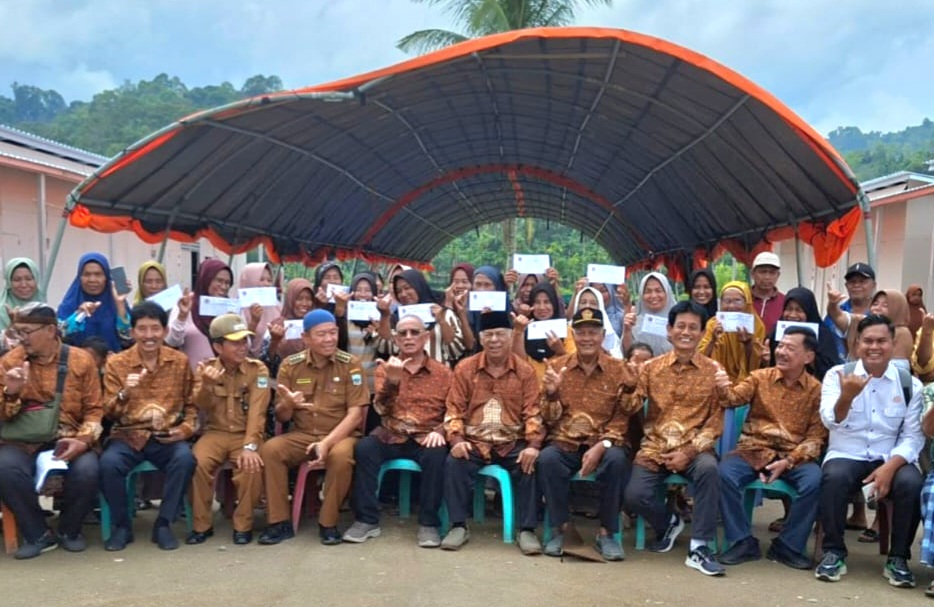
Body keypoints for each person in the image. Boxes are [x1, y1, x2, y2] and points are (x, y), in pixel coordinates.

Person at [814, 315, 924, 588]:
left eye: (881, 341)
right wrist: (847, 396)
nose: (874, 347)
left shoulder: (910, 384)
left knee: (911, 482)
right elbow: (830, 422)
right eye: (868, 341)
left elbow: (913, 437)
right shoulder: (837, 375)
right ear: (857, 344)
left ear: (893, 344)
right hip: (847, 453)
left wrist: (889, 468)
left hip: (890, 455)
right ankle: (833, 552)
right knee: (834, 477)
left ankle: (898, 558)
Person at [623, 301, 726, 576]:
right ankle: (668, 521)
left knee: (709, 469)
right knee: (634, 495)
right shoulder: (650, 368)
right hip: (655, 446)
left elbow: (715, 423)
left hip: (695, 448)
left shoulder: (714, 371)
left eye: (693, 327)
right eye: (680, 326)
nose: (686, 332)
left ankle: (699, 546)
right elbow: (630, 408)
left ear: (702, 333)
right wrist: (629, 384)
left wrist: (688, 453)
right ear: (669, 330)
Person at [715, 327, 826, 570]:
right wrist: (722, 385)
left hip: (792, 455)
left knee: (815, 481)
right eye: (780, 346)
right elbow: (731, 399)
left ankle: (788, 545)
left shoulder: (817, 391)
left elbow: (816, 437)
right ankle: (742, 541)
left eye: (790, 348)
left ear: (808, 357)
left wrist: (790, 461)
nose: (782, 352)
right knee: (723, 473)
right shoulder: (759, 377)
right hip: (753, 449)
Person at [258, 309, 369, 546]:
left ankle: (328, 523)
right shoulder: (291, 365)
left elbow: (355, 415)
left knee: (341, 457)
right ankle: (279, 522)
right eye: (321, 334)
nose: (329, 339)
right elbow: (281, 416)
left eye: (333, 333)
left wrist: (326, 443)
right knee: (270, 450)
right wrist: (288, 404)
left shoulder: (350, 365)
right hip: (303, 435)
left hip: (340, 436)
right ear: (306, 338)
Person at [0, 303, 102, 559]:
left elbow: (95, 410)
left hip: (69, 436)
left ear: (50, 330)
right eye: (18, 332)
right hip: (22, 441)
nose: (21, 338)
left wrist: (83, 441)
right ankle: (38, 533)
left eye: (27, 332)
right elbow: (3, 417)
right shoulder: (10, 361)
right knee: (5, 468)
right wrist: (11, 392)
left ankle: (70, 530)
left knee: (88, 469)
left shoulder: (81, 360)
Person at [342, 314, 452, 547]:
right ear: (395, 339)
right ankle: (366, 520)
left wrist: (440, 431)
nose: (409, 338)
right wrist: (392, 382)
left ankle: (429, 523)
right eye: (403, 333)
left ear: (426, 336)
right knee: (364, 448)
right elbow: (380, 409)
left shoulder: (443, 373)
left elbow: (454, 411)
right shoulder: (384, 368)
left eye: (414, 332)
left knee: (437, 454)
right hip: (391, 434)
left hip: (426, 436)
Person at [440, 311, 544, 554]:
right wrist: (456, 439)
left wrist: (533, 445)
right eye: (489, 335)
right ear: (480, 338)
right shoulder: (465, 368)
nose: (494, 340)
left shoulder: (525, 371)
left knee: (530, 464)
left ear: (510, 337)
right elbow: (454, 409)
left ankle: (526, 529)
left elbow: (533, 412)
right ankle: (458, 525)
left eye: (500, 334)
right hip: (474, 440)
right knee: (454, 462)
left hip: (512, 441)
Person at [537, 308, 636, 561]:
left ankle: (607, 533)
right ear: (573, 335)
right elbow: (548, 418)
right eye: (581, 333)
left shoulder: (619, 369)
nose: (587, 338)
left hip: (605, 443)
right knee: (547, 459)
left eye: (593, 332)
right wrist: (551, 393)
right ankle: (562, 529)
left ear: (602, 336)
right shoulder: (557, 367)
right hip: (566, 441)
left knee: (616, 461)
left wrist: (602, 445)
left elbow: (625, 415)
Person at [99, 301, 197, 551]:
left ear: (165, 331)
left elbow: (192, 403)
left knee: (185, 460)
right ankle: (122, 526)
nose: (149, 335)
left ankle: (163, 524)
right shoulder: (117, 363)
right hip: (127, 435)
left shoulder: (179, 361)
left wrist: (184, 430)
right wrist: (125, 393)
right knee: (108, 464)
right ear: (132, 332)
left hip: (166, 436)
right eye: (142, 329)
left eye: (155, 328)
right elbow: (108, 411)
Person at [187, 314, 270, 545]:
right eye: (235, 342)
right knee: (196, 463)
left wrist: (250, 446)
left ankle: (243, 525)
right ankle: (201, 525)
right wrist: (207, 385)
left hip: (245, 432)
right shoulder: (206, 370)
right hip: (215, 432)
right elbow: (200, 405)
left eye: (244, 341)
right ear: (217, 347)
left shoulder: (258, 370)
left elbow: (257, 412)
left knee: (251, 465)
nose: (242, 347)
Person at [376, 269, 465, 366]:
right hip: (404, 372)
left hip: (438, 372)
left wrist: (442, 321)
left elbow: (456, 350)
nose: (403, 294)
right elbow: (386, 348)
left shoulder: (444, 313)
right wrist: (384, 316)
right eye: (399, 291)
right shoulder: (395, 318)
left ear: (419, 286)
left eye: (407, 288)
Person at [166, 259, 234, 371]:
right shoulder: (187, 303)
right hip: (193, 376)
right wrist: (182, 315)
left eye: (227, 283)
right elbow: (172, 341)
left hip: (225, 377)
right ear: (206, 279)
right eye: (219, 281)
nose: (223, 286)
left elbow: (244, 345)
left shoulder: (231, 308)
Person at [57, 252, 129, 352]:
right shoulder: (69, 305)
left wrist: (120, 304)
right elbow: (58, 335)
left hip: (113, 360)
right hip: (78, 361)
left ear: (106, 277)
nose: (92, 279)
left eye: (98, 274)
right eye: (87, 274)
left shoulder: (116, 303)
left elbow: (129, 337)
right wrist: (78, 316)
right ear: (79, 277)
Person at [699, 281, 766, 383]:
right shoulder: (713, 325)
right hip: (717, 380)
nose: (731, 306)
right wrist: (713, 340)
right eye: (727, 301)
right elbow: (699, 358)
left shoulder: (757, 326)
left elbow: (757, 364)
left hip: (748, 383)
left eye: (737, 301)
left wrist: (748, 344)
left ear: (747, 302)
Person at [766, 287, 839, 381]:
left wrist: (810, 359)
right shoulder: (776, 331)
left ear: (809, 312)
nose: (792, 315)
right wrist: (766, 359)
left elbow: (830, 370)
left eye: (799, 310)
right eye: (789, 309)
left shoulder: (823, 335)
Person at [511, 282, 568, 381]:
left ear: (554, 304)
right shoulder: (523, 328)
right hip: (530, 384)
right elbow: (518, 362)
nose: (542, 307)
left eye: (547, 302)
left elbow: (572, 364)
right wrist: (519, 331)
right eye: (537, 302)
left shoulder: (566, 330)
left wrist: (559, 350)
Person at [824, 263, 876, 362]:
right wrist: (832, 303)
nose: (856, 285)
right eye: (852, 282)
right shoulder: (837, 311)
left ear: (873, 285)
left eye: (862, 281)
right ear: (846, 286)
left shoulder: (880, 313)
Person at [623, 271, 675, 356]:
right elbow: (627, 354)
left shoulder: (678, 319)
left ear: (667, 293)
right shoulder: (634, 319)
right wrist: (627, 331)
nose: (653, 296)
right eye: (648, 291)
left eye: (658, 291)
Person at [238, 262, 281, 358]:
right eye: (261, 279)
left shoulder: (277, 307)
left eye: (269, 280)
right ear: (249, 281)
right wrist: (253, 322)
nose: (266, 284)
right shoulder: (237, 310)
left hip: (273, 363)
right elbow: (239, 343)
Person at [567, 285, 622, 357]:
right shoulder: (567, 329)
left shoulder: (609, 333)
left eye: (593, 303)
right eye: (583, 302)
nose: (587, 306)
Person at [0, 258, 45, 338]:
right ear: (9, 283)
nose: (24, 285)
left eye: (29, 279)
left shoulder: (42, 307)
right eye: (17, 280)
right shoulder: (2, 311)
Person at [749, 252, 785, 334]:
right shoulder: (742, 299)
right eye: (762, 272)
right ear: (752, 274)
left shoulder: (785, 302)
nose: (767, 277)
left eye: (772, 272)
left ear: (778, 275)